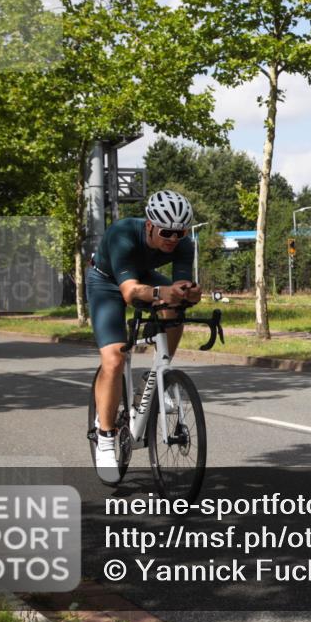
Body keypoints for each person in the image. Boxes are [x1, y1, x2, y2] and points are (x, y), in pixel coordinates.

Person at [86, 190, 202, 482]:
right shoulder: (123, 233)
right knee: (114, 359)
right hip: (108, 282)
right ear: (150, 225)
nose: (173, 239)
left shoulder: (182, 244)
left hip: (145, 278)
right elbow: (129, 292)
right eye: (166, 232)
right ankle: (106, 436)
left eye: (180, 233)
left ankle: (158, 374)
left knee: (176, 306)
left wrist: (188, 293)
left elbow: (179, 285)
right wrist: (163, 293)